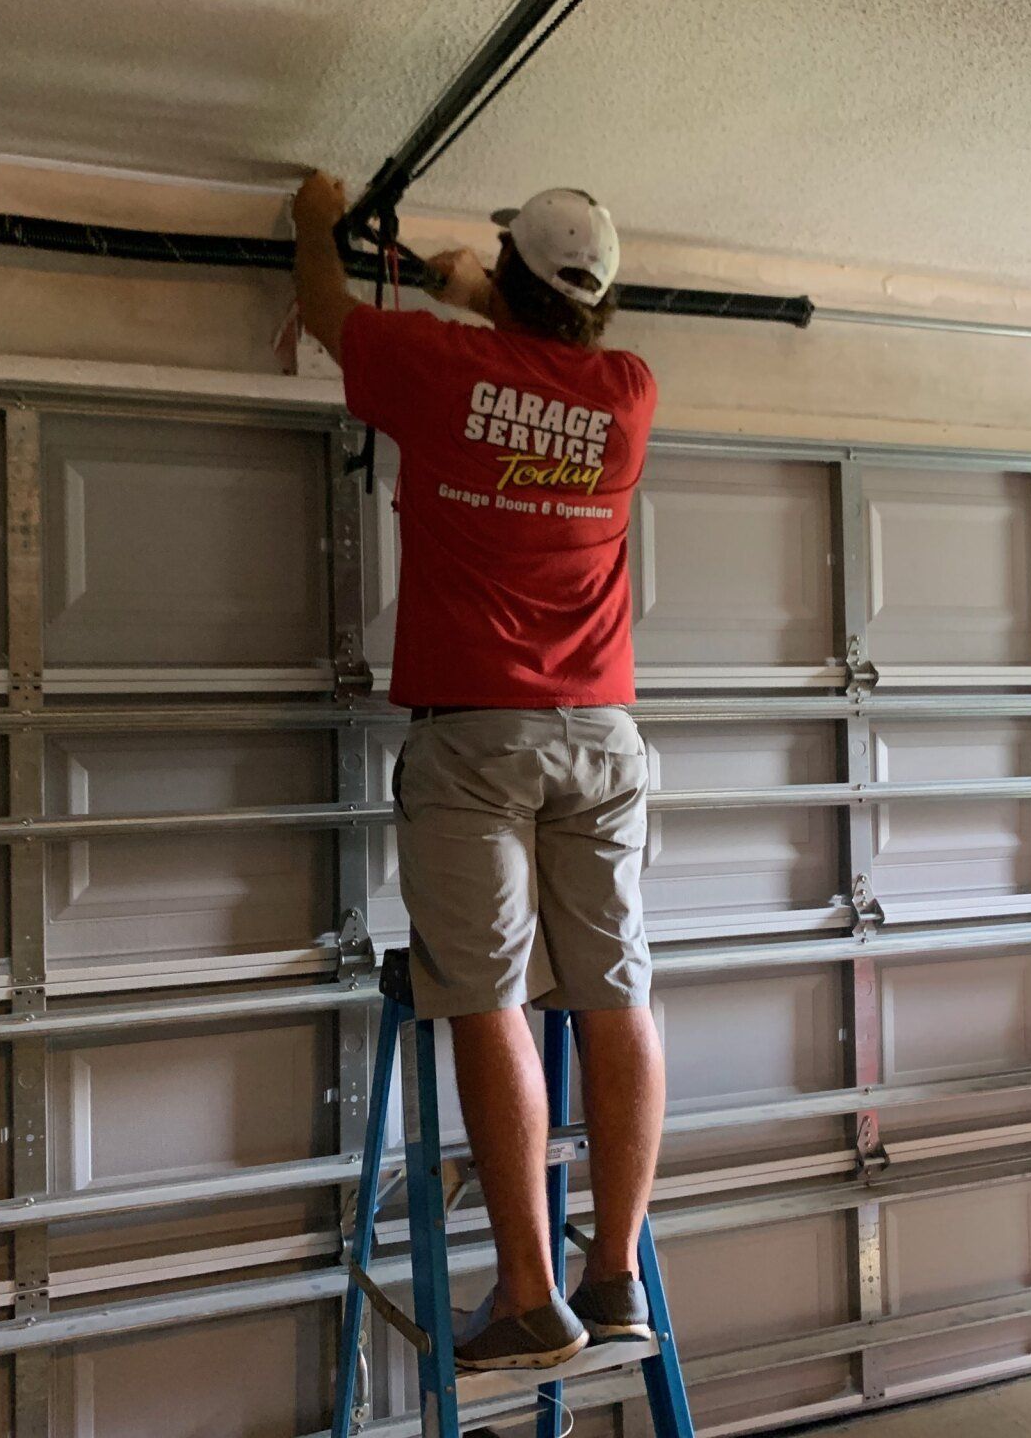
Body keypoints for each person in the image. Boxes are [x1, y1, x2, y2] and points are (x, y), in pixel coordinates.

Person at [292, 171, 663, 1371]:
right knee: (615, 991)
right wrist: (489, 291)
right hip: (601, 731)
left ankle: (526, 1298)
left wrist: (311, 221)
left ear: (506, 281)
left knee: (487, 995)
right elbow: (542, 353)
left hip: (478, 741)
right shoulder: (628, 392)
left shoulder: (439, 369)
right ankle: (611, 1282)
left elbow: (324, 306)